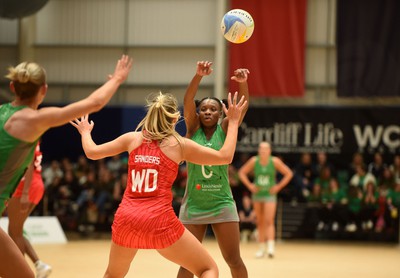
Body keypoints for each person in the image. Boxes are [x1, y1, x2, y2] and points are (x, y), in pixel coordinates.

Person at [70, 91, 246, 278]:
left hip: (127, 219)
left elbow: (92, 152)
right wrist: (233, 123)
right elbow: (225, 157)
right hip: (159, 222)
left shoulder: (132, 139)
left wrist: (85, 132)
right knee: (207, 269)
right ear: (174, 119)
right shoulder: (179, 145)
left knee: (113, 274)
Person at [0, 54, 133, 278]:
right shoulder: (33, 120)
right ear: (44, 90)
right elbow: (94, 103)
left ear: (12, 87)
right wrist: (117, 79)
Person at [177, 61, 249, 278]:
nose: (208, 112)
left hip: (221, 203)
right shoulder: (192, 128)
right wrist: (198, 75)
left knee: (233, 260)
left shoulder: (225, 129)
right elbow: (188, 100)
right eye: (204, 109)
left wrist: (243, 84)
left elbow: (242, 107)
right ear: (198, 113)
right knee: (187, 263)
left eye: (213, 109)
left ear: (221, 114)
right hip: (194, 204)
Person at [238, 142, 293, 258]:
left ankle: (271, 247)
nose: (263, 151)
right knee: (260, 221)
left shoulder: (274, 161)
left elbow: (289, 173)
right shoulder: (254, 160)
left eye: (265, 149)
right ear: (259, 150)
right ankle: (261, 248)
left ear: (269, 151)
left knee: (269, 220)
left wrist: (278, 187)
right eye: (261, 149)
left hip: (269, 194)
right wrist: (250, 185)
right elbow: (241, 173)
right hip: (257, 194)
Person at [7, 142, 52, 278]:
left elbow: (29, 164)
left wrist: (25, 193)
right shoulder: (33, 136)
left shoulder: (23, 135)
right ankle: (39, 264)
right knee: (16, 231)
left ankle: (19, 271)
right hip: (35, 183)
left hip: (25, 185)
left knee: (15, 231)